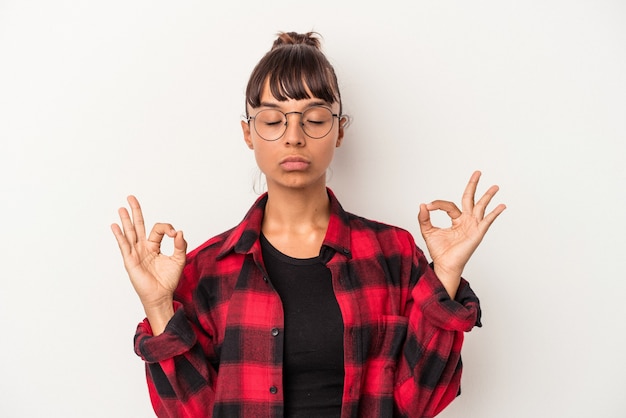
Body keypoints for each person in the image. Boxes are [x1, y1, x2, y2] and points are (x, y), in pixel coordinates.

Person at [111, 31, 506, 418]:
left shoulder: (393, 254)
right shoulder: (207, 270)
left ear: (339, 130)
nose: (294, 137)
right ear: (249, 133)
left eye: (315, 118)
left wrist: (447, 274)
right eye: (272, 120)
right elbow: (189, 412)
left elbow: (421, 403)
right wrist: (160, 306)